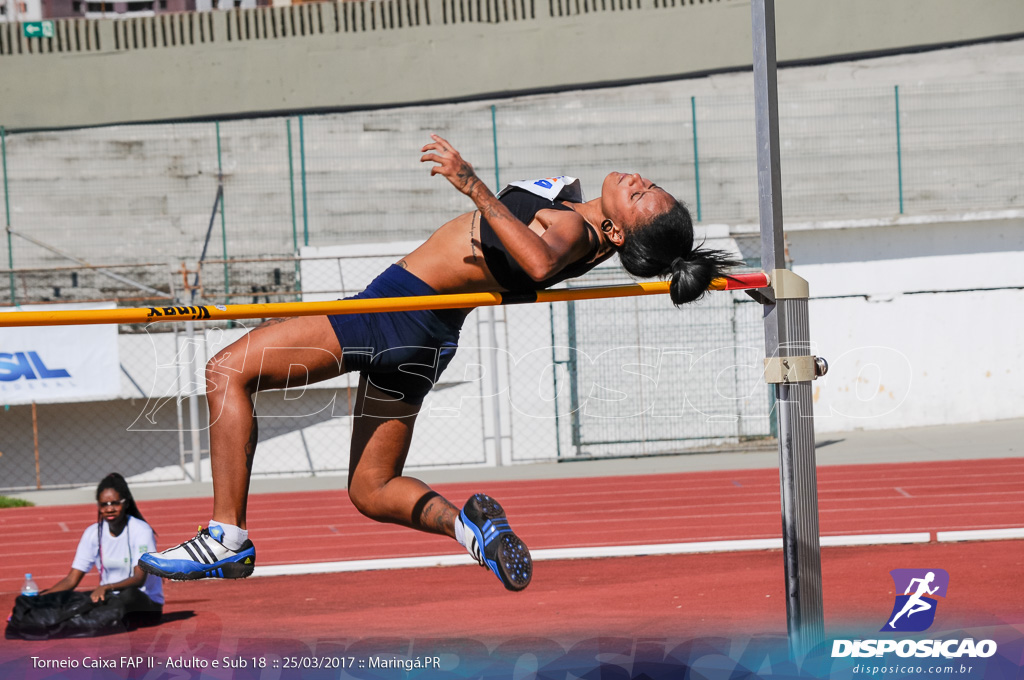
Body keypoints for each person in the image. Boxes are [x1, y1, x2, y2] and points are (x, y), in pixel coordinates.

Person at [140, 135, 741, 592]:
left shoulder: (572, 231)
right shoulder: (577, 211)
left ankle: (227, 535)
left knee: (227, 371)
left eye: (638, 195)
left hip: (391, 312)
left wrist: (472, 183)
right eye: (646, 182)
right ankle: (471, 529)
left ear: (613, 229)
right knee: (372, 489)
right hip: (426, 331)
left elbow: (536, 264)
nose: (635, 178)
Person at [6, 473, 163, 639]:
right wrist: (36, 601)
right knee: (73, 598)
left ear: (126, 503)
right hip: (109, 600)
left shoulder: (141, 530)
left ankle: (59, 627)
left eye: (115, 503)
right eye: (104, 504)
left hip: (145, 605)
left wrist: (106, 587)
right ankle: (44, 622)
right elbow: (71, 581)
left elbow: (139, 579)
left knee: (128, 594)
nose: (109, 508)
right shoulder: (92, 533)